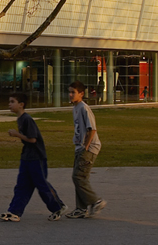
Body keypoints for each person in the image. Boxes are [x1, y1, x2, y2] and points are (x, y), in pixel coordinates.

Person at [0, 92, 66, 223]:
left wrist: (17, 134)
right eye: (9, 102)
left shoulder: (27, 119)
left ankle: (58, 207)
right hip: (26, 157)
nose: (9, 104)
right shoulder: (20, 119)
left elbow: (33, 139)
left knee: (41, 184)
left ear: (21, 104)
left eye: (12, 102)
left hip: (36, 157)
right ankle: (14, 212)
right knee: (22, 186)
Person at [66, 81, 106, 218]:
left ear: (81, 94)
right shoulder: (75, 108)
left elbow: (92, 129)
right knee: (79, 177)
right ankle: (81, 209)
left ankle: (95, 201)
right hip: (79, 147)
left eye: (73, 92)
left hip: (88, 148)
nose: (70, 95)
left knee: (78, 176)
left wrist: (86, 147)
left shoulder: (84, 108)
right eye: (69, 92)